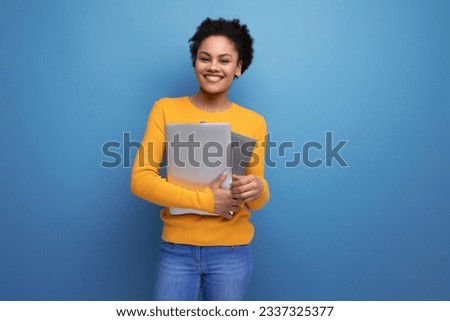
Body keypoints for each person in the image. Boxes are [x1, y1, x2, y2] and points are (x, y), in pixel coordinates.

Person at [131, 17, 270, 301]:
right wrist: (209, 201)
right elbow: (141, 180)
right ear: (195, 62)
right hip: (177, 251)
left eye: (224, 60)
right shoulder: (166, 110)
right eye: (205, 58)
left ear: (238, 67)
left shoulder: (254, 122)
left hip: (232, 254)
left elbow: (257, 197)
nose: (213, 67)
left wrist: (257, 188)